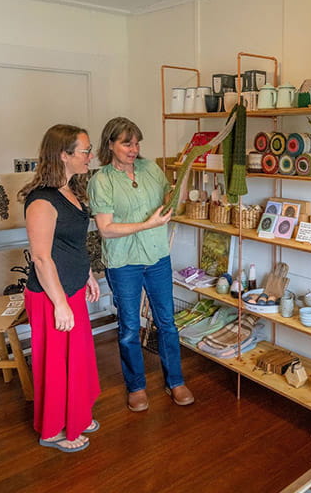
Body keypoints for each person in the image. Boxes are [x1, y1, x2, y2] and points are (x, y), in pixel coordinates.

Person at [88, 117, 194, 412]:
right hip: (123, 264)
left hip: (157, 256)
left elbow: (170, 200)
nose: (134, 149)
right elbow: (106, 229)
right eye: (126, 143)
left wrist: (182, 181)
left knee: (167, 323)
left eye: (136, 143)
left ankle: (175, 381)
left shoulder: (150, 169)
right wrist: (147, 224)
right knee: (130, 327)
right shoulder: (102, 181)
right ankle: (136, 386)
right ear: (110, 144)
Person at [19, 124, 101, 452]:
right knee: (55, 365)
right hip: (51, 296)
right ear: (64, 155)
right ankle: (53, 430)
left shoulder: (71, 191)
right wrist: (60, 304)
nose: (90, 156)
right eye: (84, 151)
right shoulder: (41, 201)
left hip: (72, 288)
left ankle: (77, 416)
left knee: (76, 360)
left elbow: (71, 246)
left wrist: (88, 274)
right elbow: (41, 257)